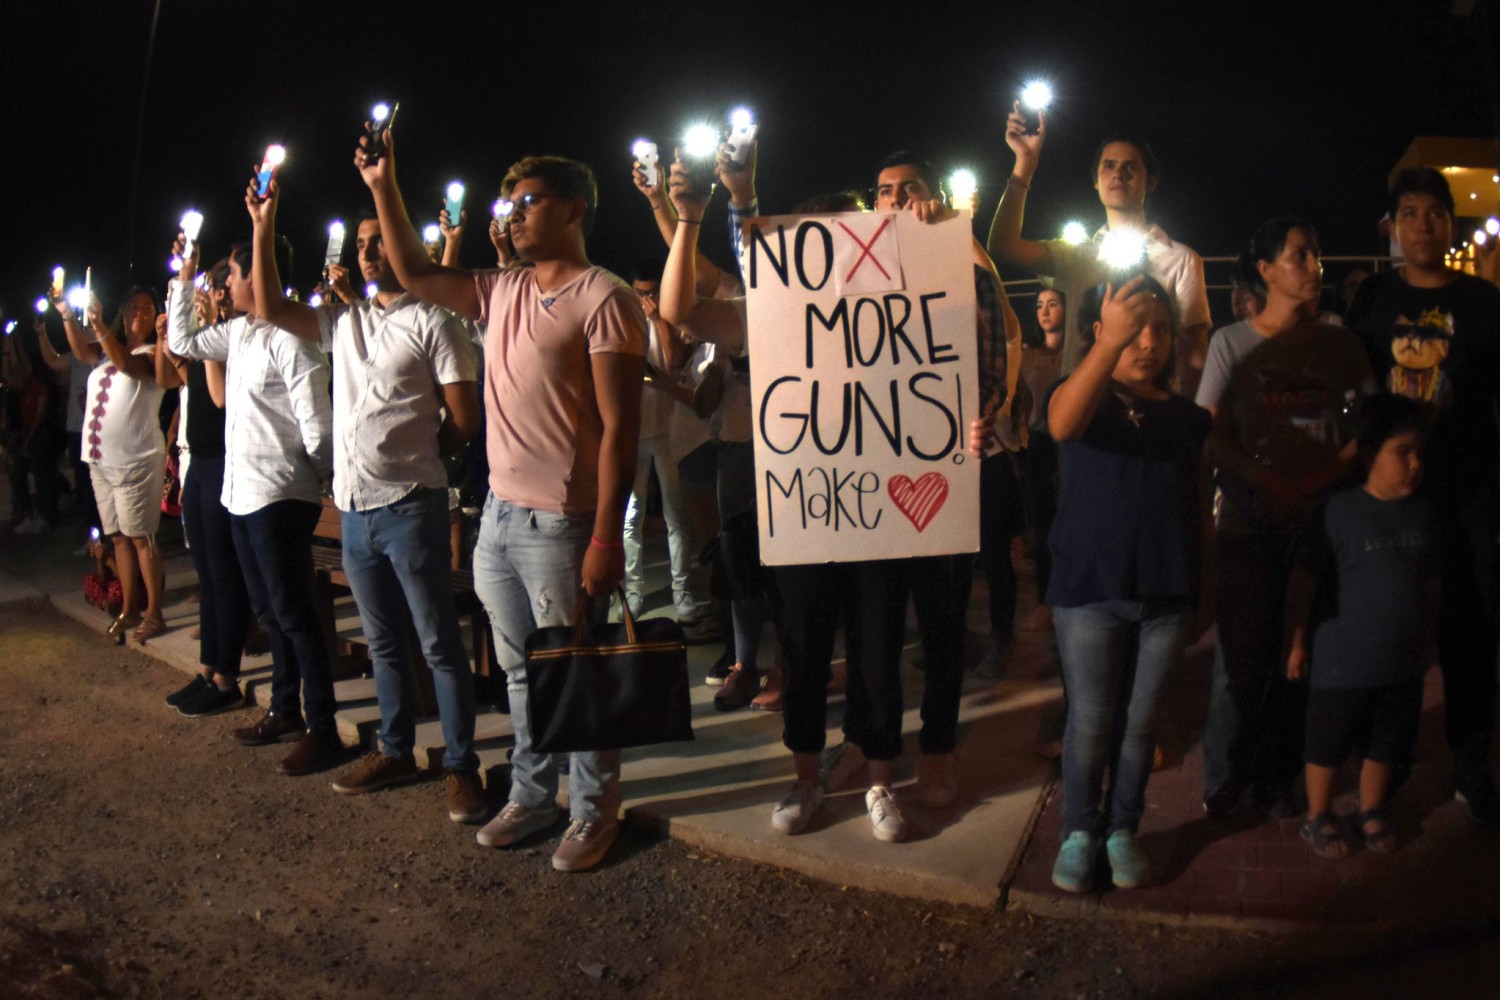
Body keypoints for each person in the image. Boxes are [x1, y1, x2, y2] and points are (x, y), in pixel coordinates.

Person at [357, 127, 645, 872]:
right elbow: (416, 271)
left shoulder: (605, 298)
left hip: (562, 521)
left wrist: (606, 537)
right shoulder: (501, 289)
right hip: (499, 518)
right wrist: (382, 182)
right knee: (520, 672)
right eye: (510, 203)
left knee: (572, 671)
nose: (514, 215)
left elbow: (621, 431)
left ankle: (593, 811)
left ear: (575, 209)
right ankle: (532, 793)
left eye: (530, 202)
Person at [248, 182, 488, 826]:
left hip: (411, 506)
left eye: (380, 239)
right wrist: (264, 225)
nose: (369, 251)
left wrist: (417, 458)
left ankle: (462, 767)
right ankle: (395, 750)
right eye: (361, 244)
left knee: (437, 642)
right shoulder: (345, 322)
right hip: (355, 511)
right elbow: (270, 307)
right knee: (383, 643)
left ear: (404, 243)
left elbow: (464, 417)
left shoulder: (434, 321)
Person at [1197, 217, 1375, 818]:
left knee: (1303, 659)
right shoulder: (1231, 343)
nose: (1314, 265)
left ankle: (1279, 776)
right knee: (1241, 663)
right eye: (1300, 255)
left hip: (1321, 526)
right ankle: (1225, 777)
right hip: (1250, 525)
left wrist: (1315, 483)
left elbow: (1364, 430)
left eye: (1317, 254)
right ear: (1266, 270)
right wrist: (1264, 479)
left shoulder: (1341, 343)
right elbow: (1211, 435)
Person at [1042, 276, 1210, 893]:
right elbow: (1060, 427)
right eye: (1133, 329)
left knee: (1142, 724)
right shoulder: (1083, 398)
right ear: (1099, 331)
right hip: (1090, 590)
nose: (1148, 343)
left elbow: (1198, 506)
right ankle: (1078, 831)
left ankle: (1121, 829)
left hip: (1167, 593)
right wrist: (1106, 349)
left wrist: (1205, 587)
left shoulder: (1188, 419)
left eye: (1160, 329)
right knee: (1090, 720)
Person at [1346, 167, 1500, 826]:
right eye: (1409, 213)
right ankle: (1382, 759)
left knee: (1472, 628)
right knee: (1390, 624)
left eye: (1434, 212)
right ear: (1393, 226)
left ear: (1451, 223)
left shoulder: (1485, 302)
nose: (1422, 225)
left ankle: (1471, 766)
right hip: (1391, 492)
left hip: (1470, 489)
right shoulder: (1373, 298)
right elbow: (1348, 390)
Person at [168, 232, 341, 777]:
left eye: (234, 275)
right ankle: (284, 710)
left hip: (278, 496)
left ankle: (324, 728)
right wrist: (184, 274)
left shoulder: (293, 339)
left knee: (294, 614)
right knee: (270, 613)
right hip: (240, 495)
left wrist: (308, 480)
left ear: (259, 273)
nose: (226, 284)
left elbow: (319, 428)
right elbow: (183, 342)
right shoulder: (240, 332)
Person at [1286, 393, 1438, 858]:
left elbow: (1430, 581)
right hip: (1342, 662)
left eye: (1419, 454)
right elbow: (1303, 582)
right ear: (1370, 453)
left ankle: (1371, 809)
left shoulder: (1424, 512)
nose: (1414, 464)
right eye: (1402, 452)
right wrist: (1296, 642)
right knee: (1326, 743)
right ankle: (1318, 813)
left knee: (1386, 741)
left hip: (1402, 662)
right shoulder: (1338, 511)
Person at [988, 104, 1212, 396]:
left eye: (1131, 167)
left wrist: (1193, 423)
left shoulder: (1180, 259)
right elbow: (1003, 246)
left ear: (1151, 182)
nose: (1118, 174)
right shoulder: (1077, 255)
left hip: (1153, 411)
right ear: (1095, 180)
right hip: (1083, 413)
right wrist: (1025, 163)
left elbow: (1194, 355)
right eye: (1109, 165)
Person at [157, 284, 251, 718]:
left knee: (223, 571)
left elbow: (219, 397)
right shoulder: (205, 343)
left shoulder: (233, 337)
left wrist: (211, 329)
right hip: (199, 464)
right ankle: (206, 668)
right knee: (206, 574)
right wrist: (174, 337)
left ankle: (226, 678)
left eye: (216, 290)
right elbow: (180, 373)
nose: (209, 299)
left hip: (223, 462)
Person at [57, 287, 169, 644]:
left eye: (148, 307)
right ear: (123, 311)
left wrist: (101, 326)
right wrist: (68, 315)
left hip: (134, 462)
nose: (140, 311)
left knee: (142, 538)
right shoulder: (107, 352)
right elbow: (80, 352)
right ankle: (130, 608)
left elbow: (126, 365)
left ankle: (155, 612)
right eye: (134, 305)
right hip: (100, 462)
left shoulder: (154, 353)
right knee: (118, 537)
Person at [622, 258, 711, 627]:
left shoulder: (669, 318)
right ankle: (633, 590)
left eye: (653, 293)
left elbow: (674, 361)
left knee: (676, 515)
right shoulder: (624, 317)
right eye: (640, 293)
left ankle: (682, 590)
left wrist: (658, 317)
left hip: (669, 432)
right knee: (631, 517)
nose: (647, 300)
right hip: (634, 430)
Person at [1018, 289, 1065, 635]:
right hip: (1037, 444)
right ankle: (1045, 600)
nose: (1044, 311)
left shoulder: (1078, 355)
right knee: (1043, 524)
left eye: (1053, 304)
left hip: (1071, 443)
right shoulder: (1027, 355)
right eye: (1039, 305)